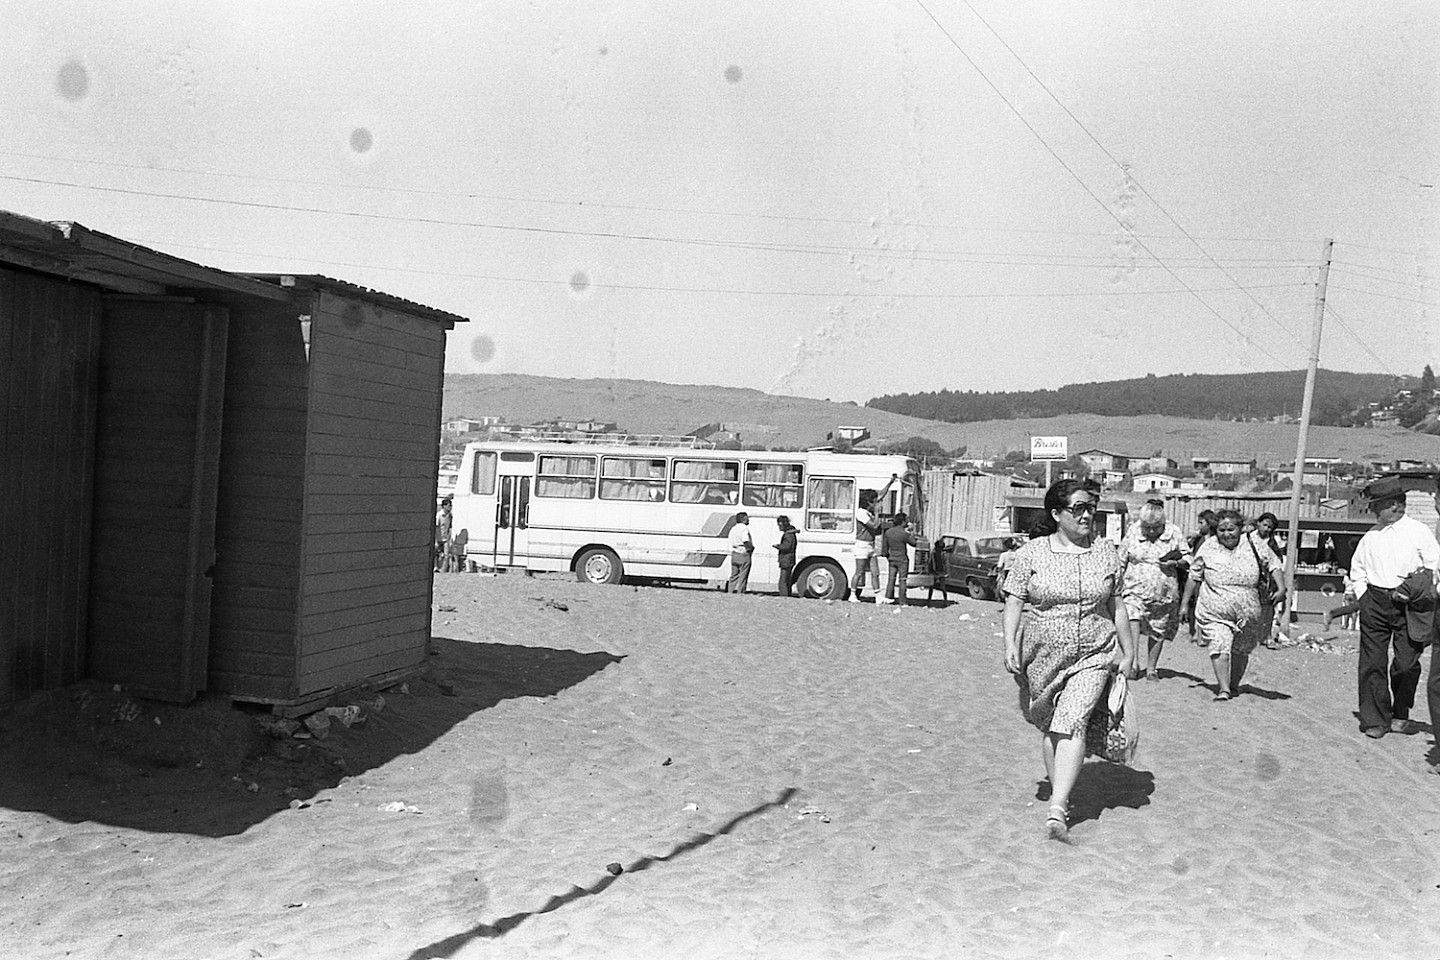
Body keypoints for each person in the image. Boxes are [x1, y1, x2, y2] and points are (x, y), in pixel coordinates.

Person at [1002, 479, 1135, 842]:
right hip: (1041, 655)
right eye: (1078, 508)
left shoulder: (1107, 551)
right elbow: (1014, 601)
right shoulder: (1031, 554)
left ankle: (1057, 809)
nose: (1087, 514)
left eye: (1091, 507)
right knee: (1051, 724)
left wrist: (1128, 651)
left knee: (1072, 720)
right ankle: (1061, 792)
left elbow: (1117, 604)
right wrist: (1010, 645)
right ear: (1057, 514)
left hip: (1095, 650)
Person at [1348, 477, 1439, 740]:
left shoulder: (1419, 532)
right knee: (1372, 663)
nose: (1375, 511)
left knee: (1406, 664)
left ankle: (1400, 713)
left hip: (1411, 608)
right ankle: (1376, 719)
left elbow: (1435, 567)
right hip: (1375, 603)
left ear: (1397, 505)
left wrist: (1414, 588)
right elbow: (1358, 570)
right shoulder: (1371, 536)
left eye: (1380, 505)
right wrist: (1364, 598)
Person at [1179, 509, 1286, 702]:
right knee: (1219, 644)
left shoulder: (1253, 544)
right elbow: (1194, 576)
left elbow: (1274, 564)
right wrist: (1185, 604)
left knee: (1241, 649)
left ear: (1240, 528)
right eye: (1221, 530)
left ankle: (1234, 684)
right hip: (1214, 610)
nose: (1226, 534)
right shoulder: (1208, 548)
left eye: (1231, 529)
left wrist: (1282, 588)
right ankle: (1224, 688)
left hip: (1248, 611)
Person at [1118, 500, 1186, 681]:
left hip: (1163, 593)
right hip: (1133, 589)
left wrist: (1175, 563)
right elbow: (1121, 558)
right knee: (1132, 616)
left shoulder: (1174, 532)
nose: (1150, 531)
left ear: (1163, 523)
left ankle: (1152, 668)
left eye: (1155, 527)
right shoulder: (1133, 530)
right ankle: (1132, 662)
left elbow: (1188, 558)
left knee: (1158, 629)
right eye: (1146, 527)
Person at [1183, 509, 1219, 642]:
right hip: (1197, 576)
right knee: (1196, 603)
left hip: (1209, 576)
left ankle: (1202, 634)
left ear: (1209, 524)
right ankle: (1196, 632)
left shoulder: (1216, 541)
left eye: (1201, 523)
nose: (1199, 526)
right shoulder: (1198, 539)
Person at [879, 512, 919, 606]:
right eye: (906, 520)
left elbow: (884, 549)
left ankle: (888, 598)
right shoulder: (904, 533)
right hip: (902, 559)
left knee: (891, 579)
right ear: (903, 521)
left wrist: (888, 556)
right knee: (902, 580)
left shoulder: (888, 532)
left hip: (892, 558)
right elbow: (914, 543)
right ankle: (902, 601)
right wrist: (912, 532)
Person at [850, 491, 882, 602]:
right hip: (862, 545)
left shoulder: (869, 513)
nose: (875, 504)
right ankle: (853, 594)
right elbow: (874, 525)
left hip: (871, 544)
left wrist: (890, 483)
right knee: (859, 571)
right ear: (868, 502)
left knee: (875, 572)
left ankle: (878, 595)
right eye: (873, 502)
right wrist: (877, 513)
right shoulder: (861, 513)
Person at [726, 512, 755, 594]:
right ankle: (740, 592)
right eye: (747, 518)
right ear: (743, 519)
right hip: (743, 554)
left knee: (734, 575)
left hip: (735, 553)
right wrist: (751, 548)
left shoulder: (733, 529)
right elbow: (745, 540)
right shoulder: (744, 529)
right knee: (743, 575)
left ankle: (730, 591)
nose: (748, 520)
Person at [774, 515, 798, 597]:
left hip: (786, 559)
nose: (779, 527)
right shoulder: (791, 533)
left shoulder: (788, 535)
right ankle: (787, 594)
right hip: (790, 559)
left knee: (783, 581)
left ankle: (784, 596)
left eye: (779, 525)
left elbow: (787, 546)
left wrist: (778, 546)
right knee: (787, 579)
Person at [434, 498, 453, 573]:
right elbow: (436, 527)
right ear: (444, 506)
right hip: (438, 537)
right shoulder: (439, 515)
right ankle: (435, 566)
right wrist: (435, 540)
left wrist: (449, 537)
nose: (450, 507)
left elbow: (450, 527)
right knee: (435, 553)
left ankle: (443, 569)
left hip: (446, 538)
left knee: (446, 554)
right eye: (449, 505)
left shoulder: (450, 516)